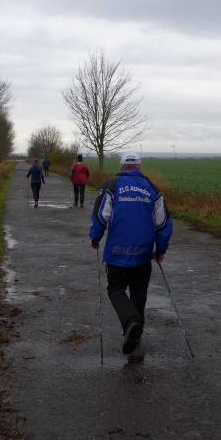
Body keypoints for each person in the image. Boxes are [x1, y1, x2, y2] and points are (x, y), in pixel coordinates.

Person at [89, 151, 173, 355]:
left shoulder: (111, 185)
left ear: (121, 166)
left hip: (117, 250)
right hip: (143, 252)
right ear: (139, 167)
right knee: (139, 292)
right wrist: (161, 249)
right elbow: (163, 223)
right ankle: (135, 336)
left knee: (115, 289)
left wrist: (95, 237)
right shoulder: (152, 188)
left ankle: (130, 322)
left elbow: (101, 215)